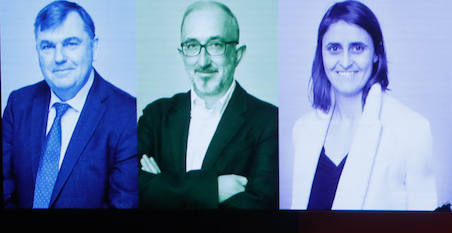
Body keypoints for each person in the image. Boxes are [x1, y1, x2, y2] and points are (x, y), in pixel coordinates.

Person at [289, 0, 437, 210]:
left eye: (357, 48)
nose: (346, 61)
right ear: (321, 54)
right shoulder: (302, 130)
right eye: (334, 49)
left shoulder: (412, 131)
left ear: (376, 53)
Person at [137, 1, 278, 209]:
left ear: (238, 55)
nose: (203, 61)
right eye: (192, 46)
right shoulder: (156, 116)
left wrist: (162, 189)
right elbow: (134, 189)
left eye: (215, 45)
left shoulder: (269, 121)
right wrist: (212, 189)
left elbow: (258, 209)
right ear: (182, 54)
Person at [2, 1, 136, 208]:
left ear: (94, 47)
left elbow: (122, 206)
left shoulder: (127, 114)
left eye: (71, 43)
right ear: (37, 50)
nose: (59, 58)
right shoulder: (18, 104)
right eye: (47, 46)